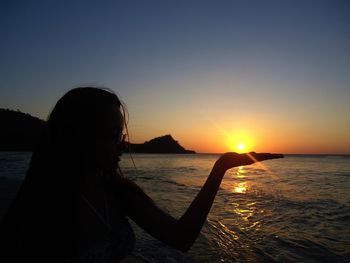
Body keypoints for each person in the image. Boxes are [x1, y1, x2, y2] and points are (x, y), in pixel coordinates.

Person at [0, 87, 282, 262]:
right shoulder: (41, 204)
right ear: (79, 137)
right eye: (112, 136)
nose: (122, 144)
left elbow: (181, 238)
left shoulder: (117, 192)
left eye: (120, 135)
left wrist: (220, 168)